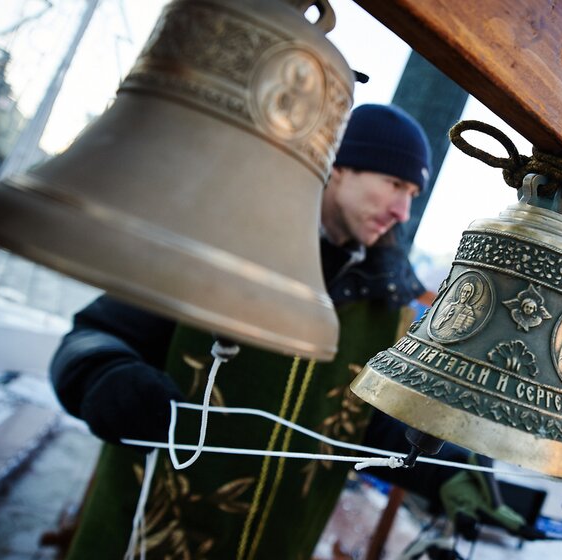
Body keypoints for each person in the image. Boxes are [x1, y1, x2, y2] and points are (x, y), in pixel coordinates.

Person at [50, 104, 462, 560]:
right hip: (149, 536)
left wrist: (450, 468)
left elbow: (365, 424)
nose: (403, 210)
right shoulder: (219, 246)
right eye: (395, 185)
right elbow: (94, 335)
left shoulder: (387, 304)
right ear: (340, 167)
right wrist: (104, 375)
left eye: (412, 193)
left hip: (279, 544)